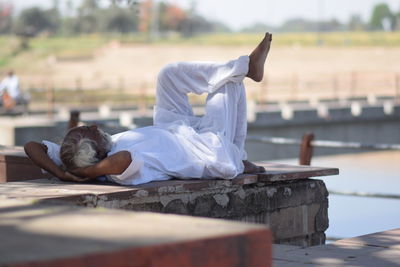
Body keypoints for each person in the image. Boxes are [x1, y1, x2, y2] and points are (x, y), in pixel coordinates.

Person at [24, 33, 272, 185]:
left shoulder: (74, 156)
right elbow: (124, 159)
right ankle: (238, 157)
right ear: (96, 152)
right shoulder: (116, 170)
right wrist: (88, 173)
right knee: (226, 86)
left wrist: (63, 172)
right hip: (207, 149)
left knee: (169, 75)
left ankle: (247, 67)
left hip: (174, 128)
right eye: (92, 131)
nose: (96, 127)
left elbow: (31, 147)